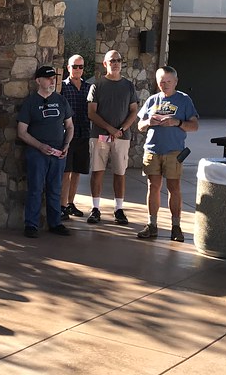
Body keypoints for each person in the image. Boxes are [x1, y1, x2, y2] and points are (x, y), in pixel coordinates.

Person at [135, 66, 200, 242]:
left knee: (174, 188)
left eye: (168, 82)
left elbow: (194, 126)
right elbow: (140, 126)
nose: (165, 85)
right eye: (161, 82)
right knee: (153, 187)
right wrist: (149, 121)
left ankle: (176, 226)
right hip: (152, 150)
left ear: (176, 82)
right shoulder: (152, 100)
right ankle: (152, 224)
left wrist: (176, 122)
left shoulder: (184, 100)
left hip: (174, 151)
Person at [17, 64, 74, 238]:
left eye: (53, 77)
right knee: (35, 188)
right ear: (38, 81)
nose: (52, 80)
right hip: (37, 152)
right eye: (48, 78)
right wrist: (39, 146)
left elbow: (70, 126)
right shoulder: (30, 103)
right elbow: (22, 132)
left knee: (55, 188)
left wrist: (66, 145)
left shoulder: (61, 100)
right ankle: (31, 225)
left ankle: (55, 223)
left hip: (58, 152)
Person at [86, 49, 139, 225]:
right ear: (105, 64)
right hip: (100, 136)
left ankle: (119, 209)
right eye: (112, 60)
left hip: (121, 138)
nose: (115, 63)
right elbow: (91, 113)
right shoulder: (97, 85)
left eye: (118, 60)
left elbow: (133, 111)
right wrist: (110, 129)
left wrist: (121, 129)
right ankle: (95, 208)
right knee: (97, 171)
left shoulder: (128, 86)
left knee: (120, 172)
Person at [59, 54, 90, 219]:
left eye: (81, 66)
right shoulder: (62, 87)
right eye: (75, 66)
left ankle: (71, 203)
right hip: (67, 135)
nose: (78, 69)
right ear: (68, 68)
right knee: (66, 172)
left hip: (84, 133)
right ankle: (62, 206)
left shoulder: (89, 88)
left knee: (77, 170)